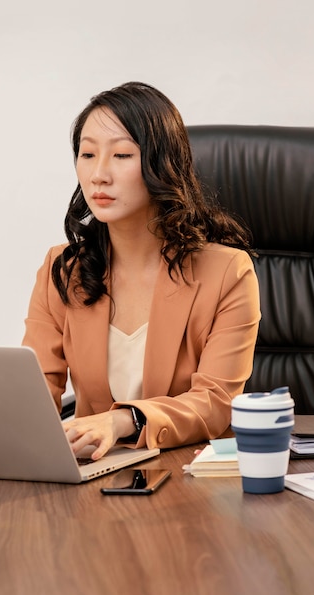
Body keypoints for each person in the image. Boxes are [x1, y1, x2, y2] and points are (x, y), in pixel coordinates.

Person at [22, 81, 260, 461]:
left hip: (191, 478)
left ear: (161, 163)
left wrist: (120, 422)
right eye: (87, 154)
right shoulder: (63, 268)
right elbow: (32, 392)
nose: (98, 174)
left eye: (121, 155)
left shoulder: (228, 272)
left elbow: (216, 402)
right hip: (90, 474)